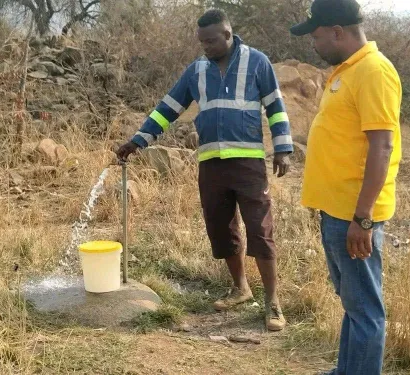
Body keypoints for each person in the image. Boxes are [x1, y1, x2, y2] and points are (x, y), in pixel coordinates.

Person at [117, 9, 293, 331]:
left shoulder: (257, 62)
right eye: (202, 42)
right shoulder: (196, 70)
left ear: (228, 34)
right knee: (221, 228)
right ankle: (240, 288)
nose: (206, 47)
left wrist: (283, 148)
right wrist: (139, 140)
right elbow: (168, 108)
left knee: (260, 229)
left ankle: (272, 303)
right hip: (211, 163)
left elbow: (275, 106)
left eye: (211, 41)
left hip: (249, 163)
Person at [290, 0, 402, 373]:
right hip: (338, 212)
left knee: (366, 310)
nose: (314, 44)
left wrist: (364, 218)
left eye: (317, 36)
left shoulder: (374, 71)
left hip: (354, 215)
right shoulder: (346, 71)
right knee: (354, 305)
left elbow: (382, 145)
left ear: (337, 31)